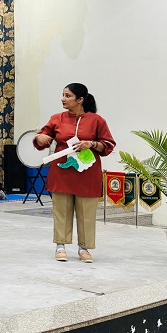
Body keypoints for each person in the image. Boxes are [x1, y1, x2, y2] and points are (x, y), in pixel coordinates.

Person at [33, 83, 115, 263]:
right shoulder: (57, 118)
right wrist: (39, 138)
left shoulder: (97, 120)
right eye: (62, 95)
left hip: (87, 174)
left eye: (67, 95)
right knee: (61, 211)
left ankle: (84, 248)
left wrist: (91, 144)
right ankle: (60, 246)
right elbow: (42, 137)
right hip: (61, 173)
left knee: (87, 213)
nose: (63, 99)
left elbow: (108, 145)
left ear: (80, 100)